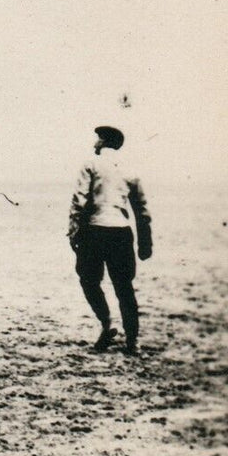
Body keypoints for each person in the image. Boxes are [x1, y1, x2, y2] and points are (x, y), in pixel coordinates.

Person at [68, 125, 153, 356]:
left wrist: (73, 231)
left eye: (97, 139)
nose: (94, 143)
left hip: (94, 231)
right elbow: (141, 209)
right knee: (124, 288)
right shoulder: (131, 169)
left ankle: (108, 324)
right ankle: (133, 342)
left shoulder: (90, 164)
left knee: (89, 281)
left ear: (104, 141)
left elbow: (79, 201)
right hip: (121, 233)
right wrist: (145, 243)